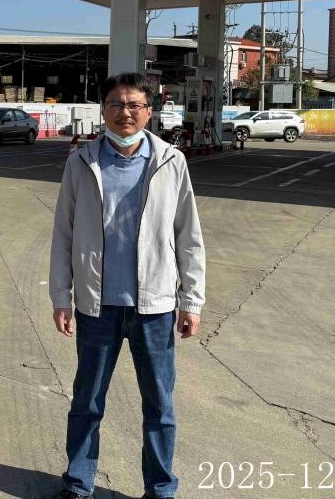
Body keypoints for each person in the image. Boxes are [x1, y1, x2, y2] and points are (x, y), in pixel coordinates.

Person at [49, 72, 206, 499]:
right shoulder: (81, 162)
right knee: (87, 402)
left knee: (160, 406)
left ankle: (161, 488)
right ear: (103, 110)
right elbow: (63, 233)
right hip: (96, 306)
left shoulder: (171, 161)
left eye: (135, 104)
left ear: (149, 111)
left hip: (154, 308)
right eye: (116, 104)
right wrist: (61, 296)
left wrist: (191, 301)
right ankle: (78, 483)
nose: (125, 112)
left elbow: (188, 236)